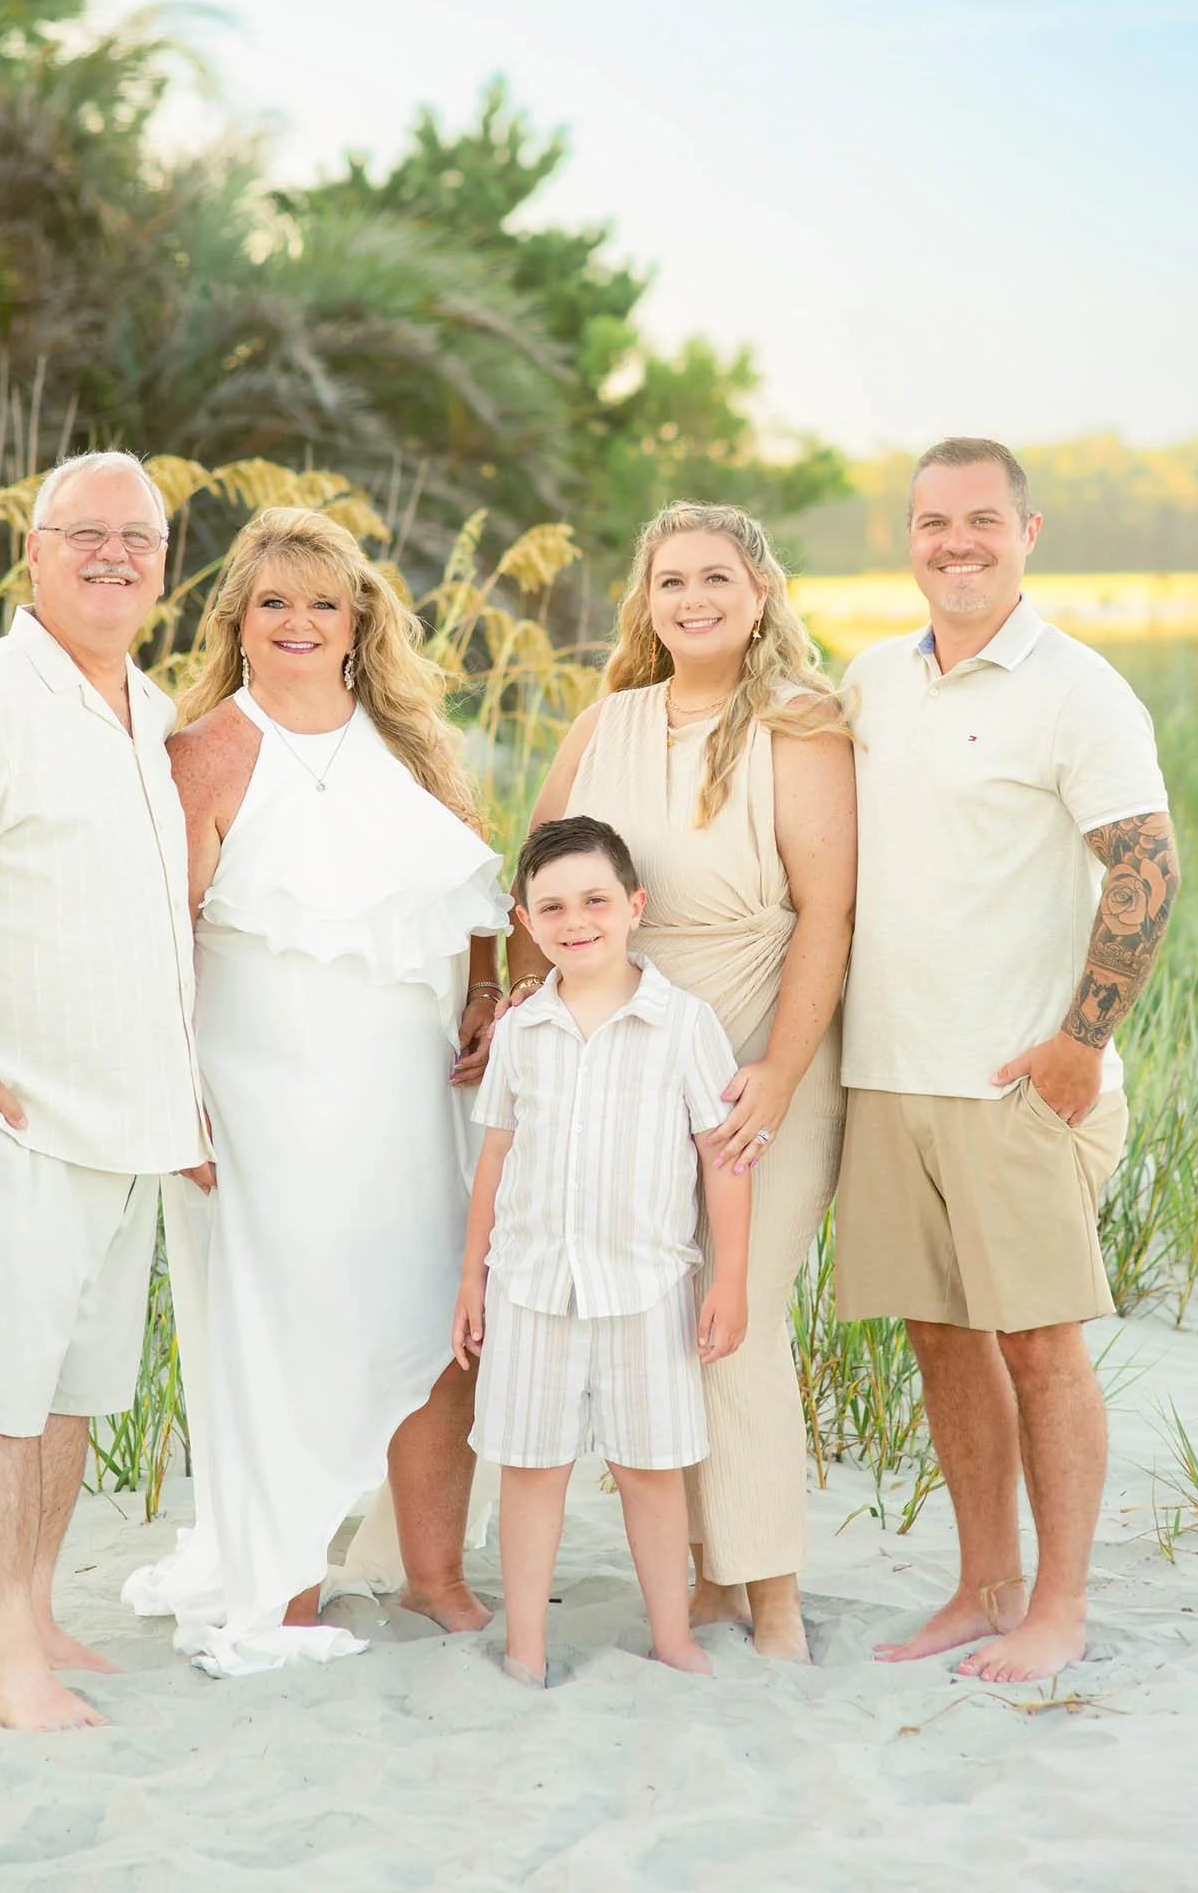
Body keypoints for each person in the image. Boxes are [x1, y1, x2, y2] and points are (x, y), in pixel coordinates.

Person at [124, 506, 511, 1674]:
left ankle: (434, 1572)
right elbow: (161, 944)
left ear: (359, 624)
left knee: (437, 1323)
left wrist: (489, 987)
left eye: (323, 602)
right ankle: (282, 1576)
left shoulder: (407, 742)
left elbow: (472, 886)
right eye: (274, 601)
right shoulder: (205, 753)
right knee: (282, 1334)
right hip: (264, 1102)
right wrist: (171, 1096)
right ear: (238, 619)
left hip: (410, 1089)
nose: (299, 621)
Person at [0, 450, 212, 1733]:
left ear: (164, 564)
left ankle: (43, 1610)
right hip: (8, 1131)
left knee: (68, 1398)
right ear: (33, 551)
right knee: (2, 1400)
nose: (113, 554)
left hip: (121, 1133)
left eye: (137, 537)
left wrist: (180, 1104)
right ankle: (4, 1652)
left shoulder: (150, 708)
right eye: (86, 534)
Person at [835, 436, 1180, 1684]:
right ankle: (982, 1587)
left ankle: (1059, 1606)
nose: (957, 542)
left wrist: (1083, 1043)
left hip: (1015, 1082)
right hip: (888, 1073)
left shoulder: (1079, 689)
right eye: (934, 521)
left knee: (1039, 1342)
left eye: (983, 519)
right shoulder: (871, 678)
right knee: (940, 1334)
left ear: (1031, 532)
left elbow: (1148, 862)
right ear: (909, 537)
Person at [501, 502, 855, 1663]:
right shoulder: (608, 721)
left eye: (716, 577)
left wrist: (780, 1071)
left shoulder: (798, 723)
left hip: (758, 1034)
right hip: (627, 1040)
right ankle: (704, 1577)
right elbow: (550, 871)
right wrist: (515, 1004)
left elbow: (827, 912)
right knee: (666, 1304)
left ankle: (773, 1586)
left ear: (761, 593)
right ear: (645, 603)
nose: (692, 599)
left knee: (737, 1317)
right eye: (669, 581)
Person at [455, 816, 751, 1686]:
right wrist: (471, 1278)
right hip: (531, 1287)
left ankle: (672, 1637)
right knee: (531, 1467)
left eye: (593, 900)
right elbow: (497, 1156)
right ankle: (525, 1648)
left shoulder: (683, 1024)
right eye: (550, 907)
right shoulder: (522, 1029)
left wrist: (727, 1278)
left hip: (646, 1287)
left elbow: (721, 1158)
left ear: (634, 906)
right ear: (526, 921)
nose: (574, 920)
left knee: (651, 1470)